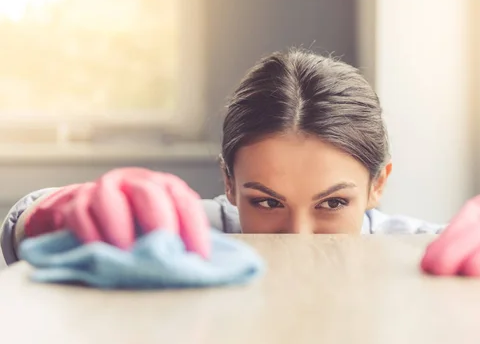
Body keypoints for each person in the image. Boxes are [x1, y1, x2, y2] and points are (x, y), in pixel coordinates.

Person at [0, 49, 445, 268]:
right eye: (267, 202)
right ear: (229, 183)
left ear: (378, 184)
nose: (299, 238)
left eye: (332, 204)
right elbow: (19, 244)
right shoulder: (187, 235)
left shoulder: (418, 251)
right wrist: (52, 214)